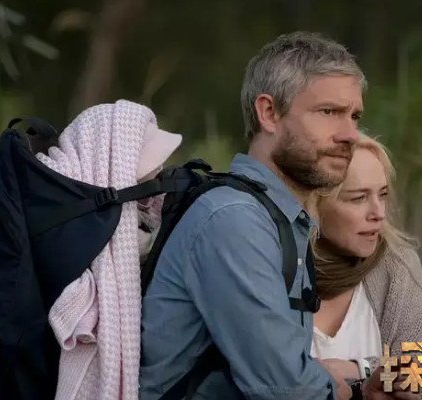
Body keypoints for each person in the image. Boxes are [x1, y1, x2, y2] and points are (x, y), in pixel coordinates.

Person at [140, 31, 367, 400]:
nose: (350, 134)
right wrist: (354, 392)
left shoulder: (275, 218)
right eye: (329, 112)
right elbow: (285, 390)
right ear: (269, 113)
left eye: (355, 116)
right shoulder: (234, 220)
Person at [309, 133, 422, 399]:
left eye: (382, 195)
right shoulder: (273, 266)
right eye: (358, 198)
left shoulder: (396, 264)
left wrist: (359, 368)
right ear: (315, 203)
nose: (378, 213)